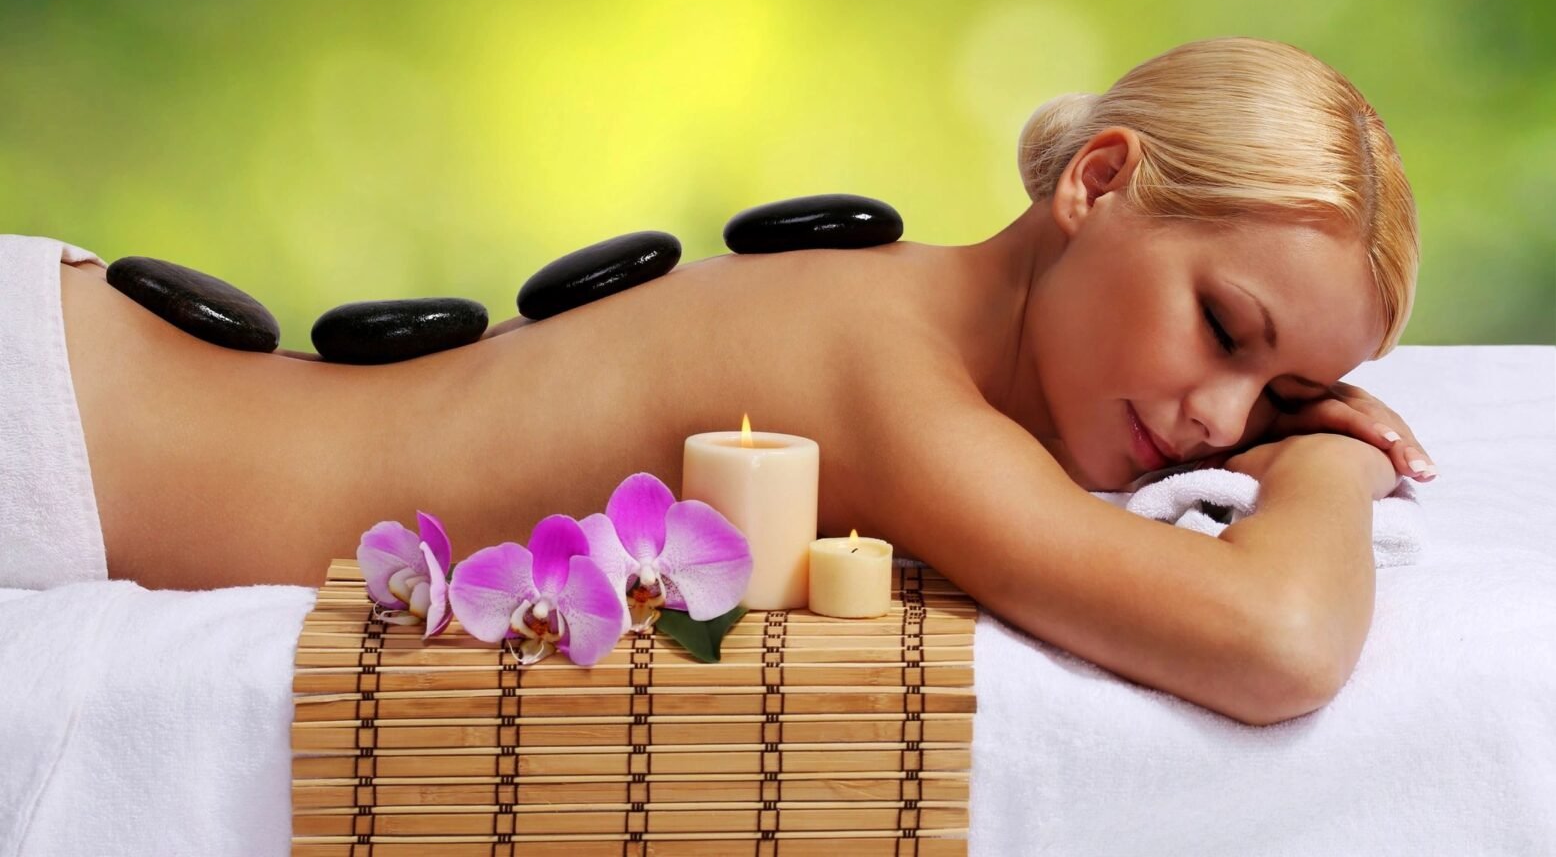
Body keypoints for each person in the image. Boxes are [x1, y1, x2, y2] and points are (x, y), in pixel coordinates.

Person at [37, 36, 1429, 725]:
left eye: (1282, 398)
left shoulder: (892, 323)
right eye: (1226, 330)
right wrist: (1336, 459)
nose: (1221, 420)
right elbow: (1275, 643)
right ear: (1101, 181)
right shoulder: (881, 371)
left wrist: (1273, 425)